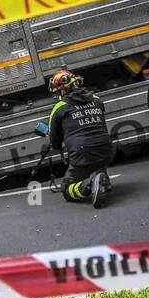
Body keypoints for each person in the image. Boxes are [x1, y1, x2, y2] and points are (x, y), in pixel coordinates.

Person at [46, 69, 114, 209]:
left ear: (62, 90)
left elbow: (54, 139)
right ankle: (102, 177)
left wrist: (58, 145)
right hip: (107, 149)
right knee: (96, 155)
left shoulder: (60, 107)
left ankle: (89, 185)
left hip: (83, 153)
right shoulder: (96, 99)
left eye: (57, 92)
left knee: (67, 190)